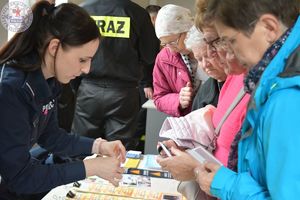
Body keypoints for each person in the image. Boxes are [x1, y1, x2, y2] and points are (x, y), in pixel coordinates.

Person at [0, 2, 126, 199]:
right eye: (82, 60)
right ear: (54, 47)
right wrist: (89, 167)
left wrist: (99, 146)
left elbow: (51, 137)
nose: (87, 69)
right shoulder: (11, 89)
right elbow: (20, 177)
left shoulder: (51, 79)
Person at [195, 0, 300, 199]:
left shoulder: (287, 98)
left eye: (230, 41)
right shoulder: (275, 83)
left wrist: (225, 185)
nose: (227, 52)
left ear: (269, 28)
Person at [72, 0, 160, 150]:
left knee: (83, 147)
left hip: (88, 90)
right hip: (123, 94)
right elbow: (150, 55)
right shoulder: (136, 13)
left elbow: (69, 50)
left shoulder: (82, 11)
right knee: (120, 152)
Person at [153, 4, 208, 117]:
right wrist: (178, 100)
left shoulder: (210, 47)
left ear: (188, 30)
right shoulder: (164, 58)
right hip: (186, 123)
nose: (171, 50)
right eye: (165, 44)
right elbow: (159, 97)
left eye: (173, 42)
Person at [184, 26, 227, 110]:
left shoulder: (244, 82)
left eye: (208, 56)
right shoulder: (203, 94)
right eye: (199, 59)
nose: (205, 64)